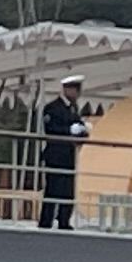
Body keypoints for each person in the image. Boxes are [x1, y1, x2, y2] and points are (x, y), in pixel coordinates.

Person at [37, 77, 89, 232]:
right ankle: (46, 221)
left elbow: (79, 130)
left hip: (69, 155)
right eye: (75, 89)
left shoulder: (73, 109)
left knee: (68, 190)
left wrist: (82, 132)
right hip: (55, 154)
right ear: (67, 89)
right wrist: (69, 131)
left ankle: (64, 220)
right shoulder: (52, 108)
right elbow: (51, 129)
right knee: (52, 189)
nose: (77, 94)